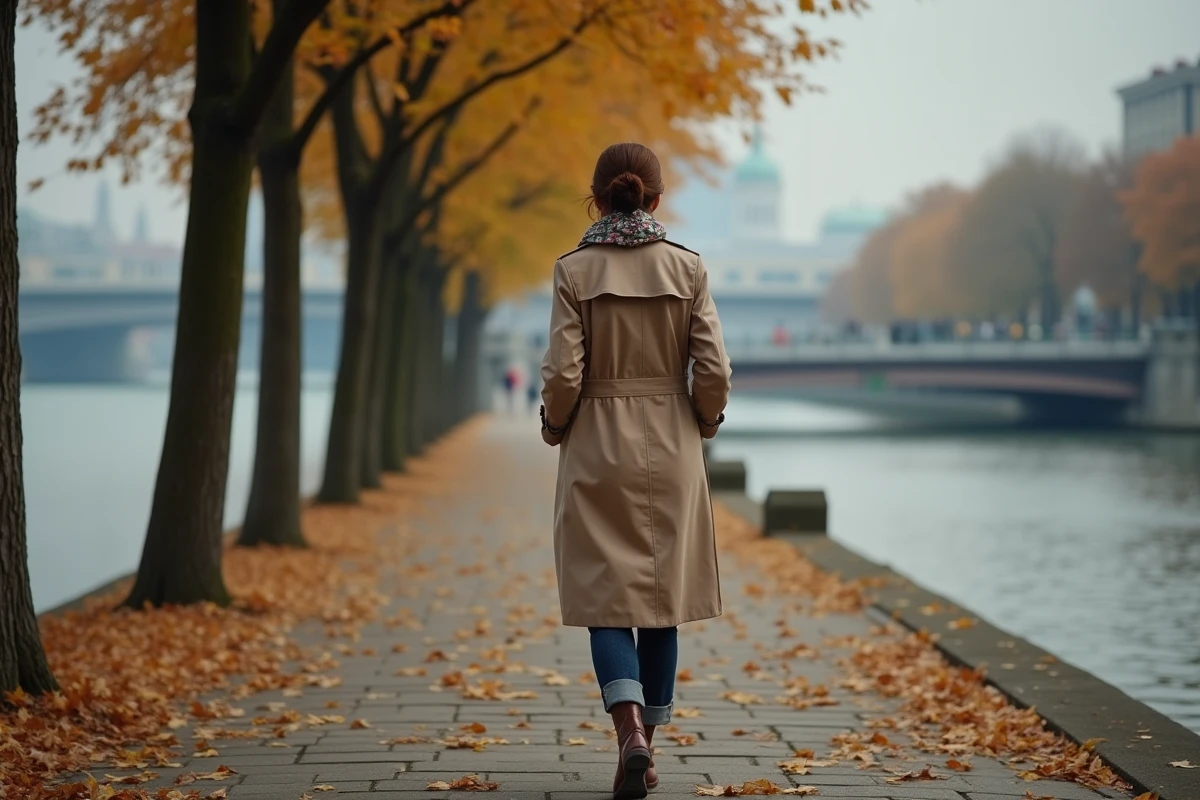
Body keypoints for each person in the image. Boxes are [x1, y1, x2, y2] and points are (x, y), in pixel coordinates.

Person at [538, 142, 732, 800]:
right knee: (660, 604)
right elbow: (714, 370)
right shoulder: (689, 269)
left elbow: (563, 372)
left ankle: (629, 735)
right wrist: (702, 422)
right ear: (656, 198)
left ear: (597, 197)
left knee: (605, 598)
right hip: (671, 445)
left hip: (596, 442)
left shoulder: (573, 272)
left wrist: (555, 425)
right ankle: (650, 734)